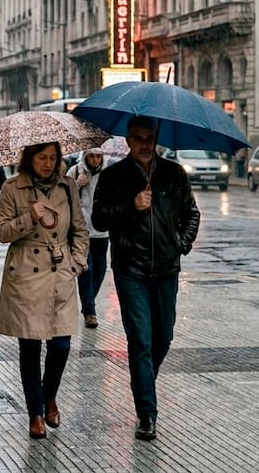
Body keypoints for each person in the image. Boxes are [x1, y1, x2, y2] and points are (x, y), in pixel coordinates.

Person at [92, 116, 200, 441]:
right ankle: (146, 415)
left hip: (167, 270)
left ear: (156, 139)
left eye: (149, 138)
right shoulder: (114, 176)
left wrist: (181, 244)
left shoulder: (174, 173)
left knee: (162, 338)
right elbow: (99, 218)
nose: (143, 144)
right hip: (131, 270)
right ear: (127, 139)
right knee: (140, 341)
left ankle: (143, 384)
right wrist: (132, 205)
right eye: (137, 138)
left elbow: (191, 213)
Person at [0, 142, 89, 440]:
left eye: (52, 158)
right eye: (41, 158)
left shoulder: (68, 186)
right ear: (29, 158)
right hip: (25, 273)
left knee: (61, 345)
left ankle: (49, 396)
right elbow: (1, 232)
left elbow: (80, 230)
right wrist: (28, 218)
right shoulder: (12, 187)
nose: (47, 164)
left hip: (60, 270)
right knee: (31, 348)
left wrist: (77, 263)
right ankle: (35, 413)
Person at [66, 149, 109, 328]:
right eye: (91, 156)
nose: (95, 160)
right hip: (81, 230)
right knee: (86, 269)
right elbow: (63, 196)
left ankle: (88, 303)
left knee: (100, 269)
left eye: (98, 156)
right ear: (85, 156)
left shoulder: (109, 174)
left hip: (102, 229)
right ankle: (90, 312)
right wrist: (77, 184)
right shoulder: (74, 171)